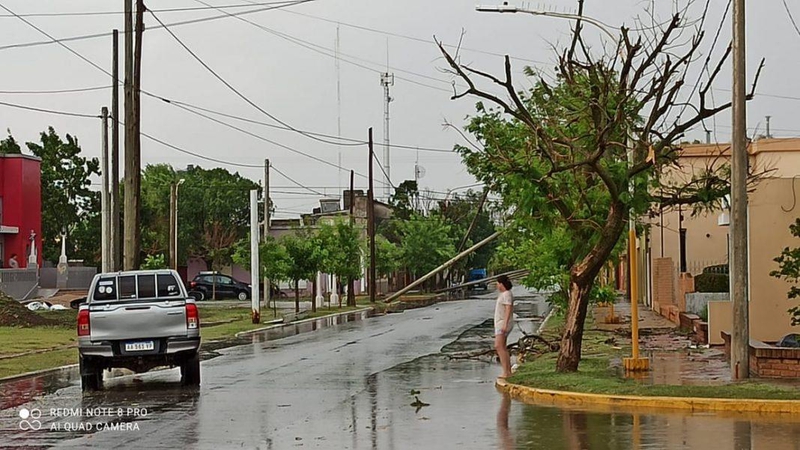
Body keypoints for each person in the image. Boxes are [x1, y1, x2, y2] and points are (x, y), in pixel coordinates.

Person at [494, 274, 514, 379]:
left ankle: (506, 371)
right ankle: (507, 371)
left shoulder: (506, 294)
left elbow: (508, 309)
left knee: (498, 346)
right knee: (502, 347)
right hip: (500, 323)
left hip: (503, 323)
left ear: (501, 284)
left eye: (497, 283)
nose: (496, 285)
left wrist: (505, 324)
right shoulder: (504, 294)